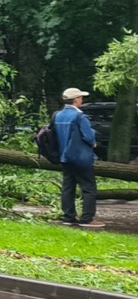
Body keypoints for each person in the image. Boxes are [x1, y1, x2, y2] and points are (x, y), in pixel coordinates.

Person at [54, 86, 99, 227]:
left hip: (64, 156)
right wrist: (94, 143)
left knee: (68, 187)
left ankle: (68, 216)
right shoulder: (79, 116)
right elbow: (88, 136)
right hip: (80, 157)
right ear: (76, 100)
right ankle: (87, 218)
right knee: (88, 187)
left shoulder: (57, 115)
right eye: (81, 97)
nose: (82, 100)